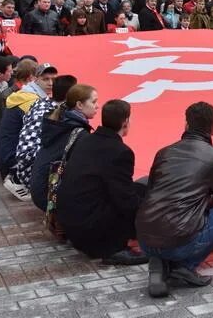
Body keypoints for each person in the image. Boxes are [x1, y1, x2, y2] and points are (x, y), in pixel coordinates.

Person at [136, 102, 213, 297]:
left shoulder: (164, 152)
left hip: (144, 239)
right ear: (212, 128)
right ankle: (184, 266)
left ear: (186, 125)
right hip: (179, 241)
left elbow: (151, 189)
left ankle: (160, 261)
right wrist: (205, 201)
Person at [57, 99, 148, 265]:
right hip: (92, 232)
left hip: (70, 221)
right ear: (125, 122)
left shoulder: (86, 139)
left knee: (140, 188)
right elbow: (124, 199)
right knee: (141, 196)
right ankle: (115, 250)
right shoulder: (120, 152)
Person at [29, 84, 97, 211]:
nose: (97, 106)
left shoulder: (60, 121)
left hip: (40, 189)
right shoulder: (77, 133)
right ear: (79, 105)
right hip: (49, 196)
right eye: (93, 102)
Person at [0, 63, 57, 198]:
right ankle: (20, 180)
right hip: (12, 159)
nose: (51, 83)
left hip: (5, 153)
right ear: (35, 79)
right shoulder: (32, 102)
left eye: (54, 79)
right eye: (46, 79)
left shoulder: (25, 93)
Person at [11, 75, 77, 189]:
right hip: (31, 175)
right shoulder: (47, 115)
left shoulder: (42, 103)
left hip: (27, 168)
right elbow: (25, 154)